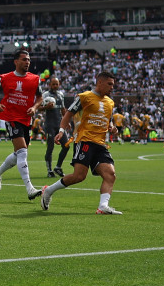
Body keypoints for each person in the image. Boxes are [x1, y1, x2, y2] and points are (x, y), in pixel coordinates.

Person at [39, 71, 123, 215]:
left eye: (113, 85)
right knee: (79, 176)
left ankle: (103, 206)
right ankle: (48, 191)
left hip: (101, 144)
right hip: (84, 141)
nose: (112, 87)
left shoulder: (110, 102)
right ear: (99, 82)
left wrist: (111, 128)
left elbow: (105, 120)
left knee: (110, 175)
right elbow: (68, 114)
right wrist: (61, 131)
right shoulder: (84, 97)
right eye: (109, 84)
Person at [0, 49, 43, 200]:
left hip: (26, 119)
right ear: (16, 61)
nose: (27, 62)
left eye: (29, 60)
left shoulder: (34, 79)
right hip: (11, 117)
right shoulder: (6, 78)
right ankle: (29, 188)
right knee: (23, 152)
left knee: (19, 154)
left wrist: (34, 107)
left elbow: (40, 97)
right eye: (24, 59)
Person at [40, 77, 70, 177]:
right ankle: (49, 171)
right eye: (53, 84)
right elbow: (38, 108)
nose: (55, 86)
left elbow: (63, 109)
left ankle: (58, 167)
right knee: (50, 147)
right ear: (50, 85)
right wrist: (45, 107)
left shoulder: (61, 94)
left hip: (59, 124)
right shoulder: (45, 95)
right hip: (49, 125)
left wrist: (67, 121)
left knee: (66, 146)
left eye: (57, 84)